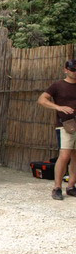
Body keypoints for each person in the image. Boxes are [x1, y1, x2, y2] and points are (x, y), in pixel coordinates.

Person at [38, 59, 76, 200]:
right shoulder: (58, 85)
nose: (75, 72)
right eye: (72, 69)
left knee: (75, 156)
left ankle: (71, 186)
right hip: (65, 124)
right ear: (65, 70)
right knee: (64, 155)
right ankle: (57, 188)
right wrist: (58, 107)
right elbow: (42, 100)